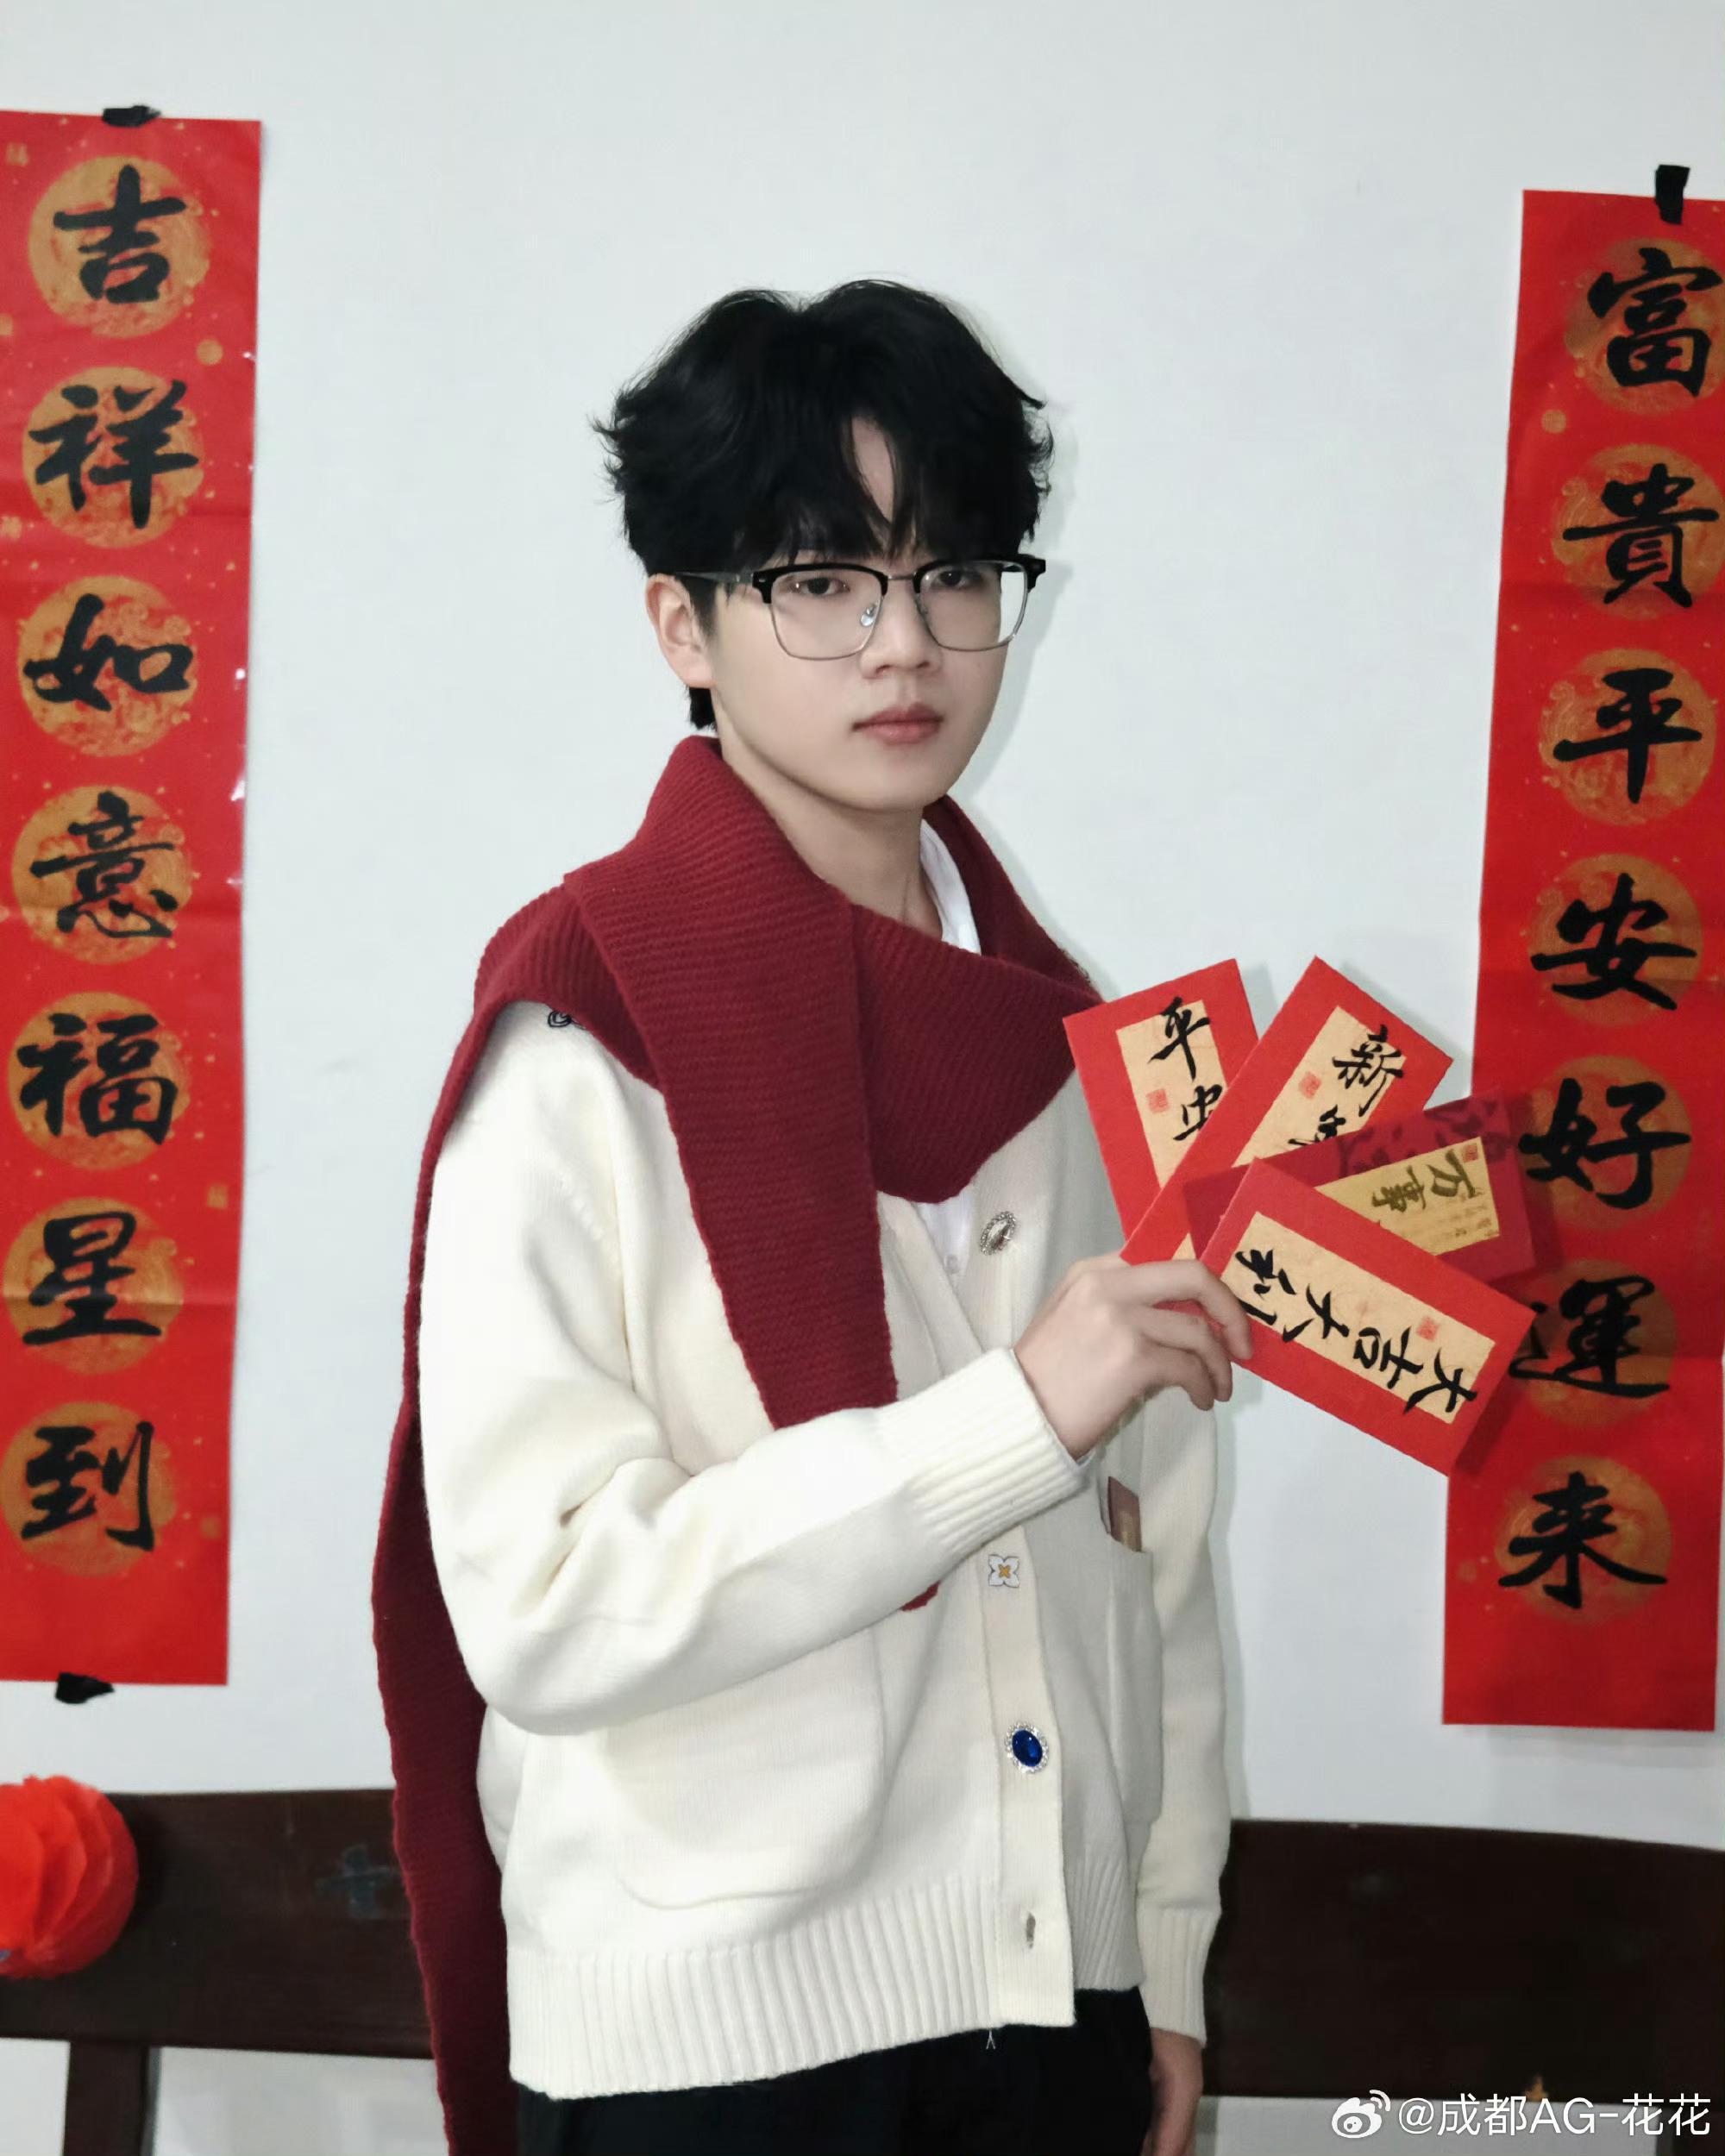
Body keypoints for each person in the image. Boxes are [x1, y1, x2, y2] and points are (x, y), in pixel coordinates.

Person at [371, 278, 1251, 2156]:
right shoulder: (580, 1036)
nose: (903, 646)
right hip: (715, 2064)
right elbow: (545, 1607)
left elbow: (1153, 1550)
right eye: (822, 581)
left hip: (1058, 2014)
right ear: (681, 624)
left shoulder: (1067, 1041)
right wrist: (1013, 1416)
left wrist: (1159, 1951)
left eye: (955, 575)